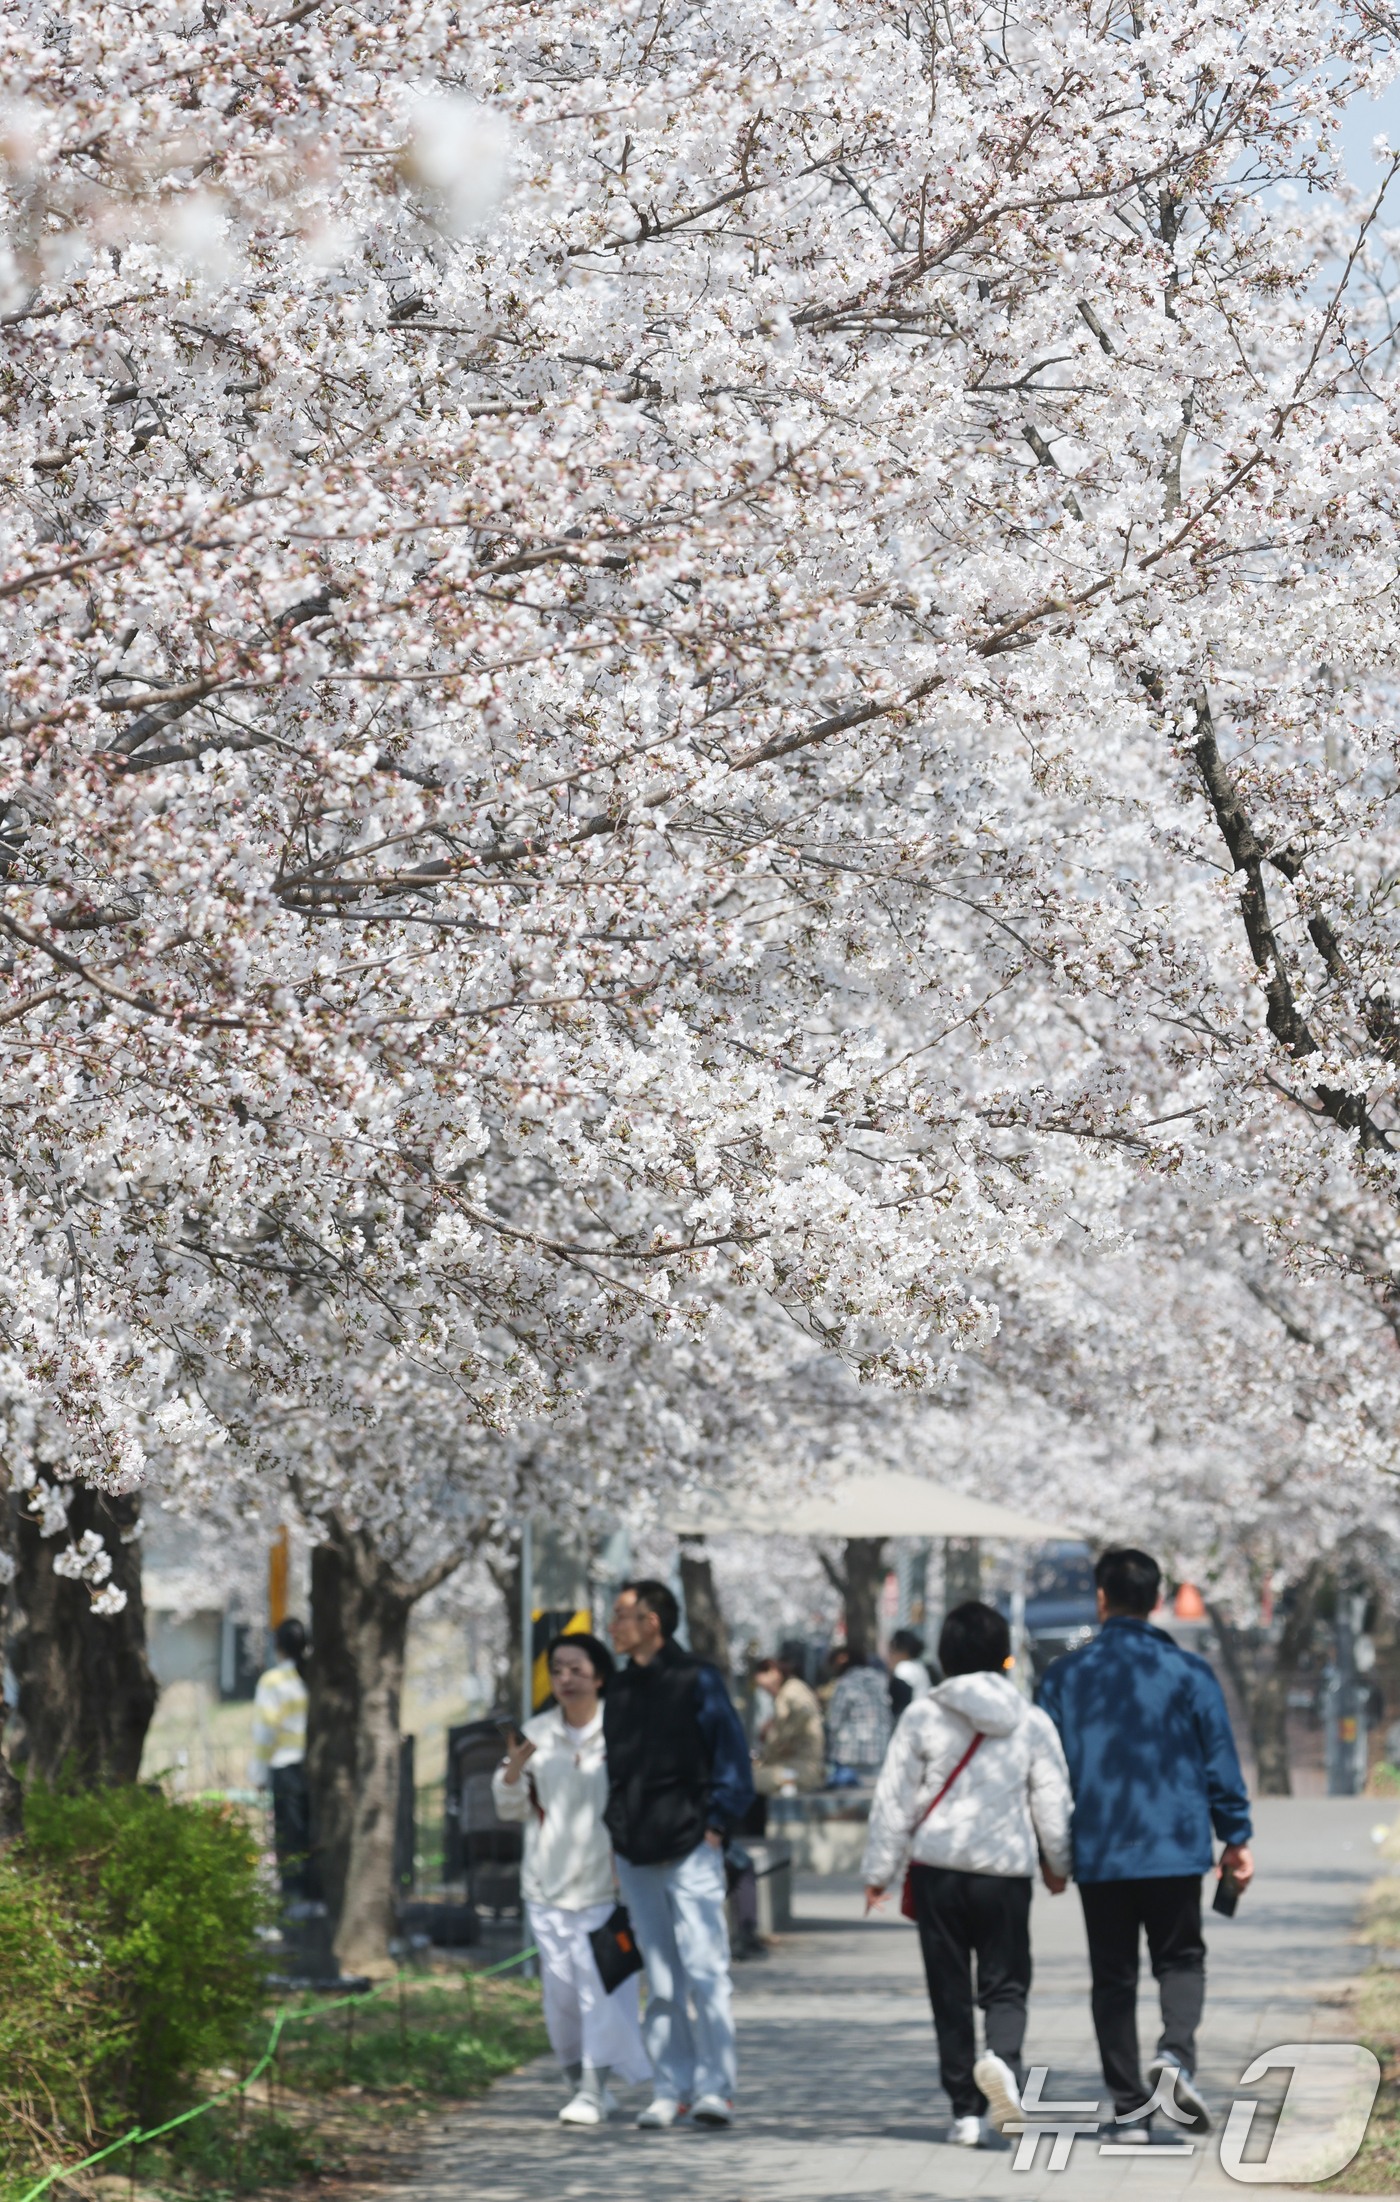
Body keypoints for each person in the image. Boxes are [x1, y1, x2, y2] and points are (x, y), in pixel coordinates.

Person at [1038, 1547, 1254, 2141]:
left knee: (1113, 1978)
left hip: (1101, 1850)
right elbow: (1219, 1762)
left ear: (1101, 1599)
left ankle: (1129, 2110)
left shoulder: (1063, 1677)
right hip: (1174, 1845)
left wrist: (1048, 1854)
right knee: (1180, 1960)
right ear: (1157, 1600)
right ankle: (1175, 2057)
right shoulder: (1190, 1673)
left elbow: (1045, 1776)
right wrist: (1234, 1836)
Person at [861, 1601, 1072, 2149]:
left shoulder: (923, 1715)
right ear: (1003, 1655)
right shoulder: (1030, 1719)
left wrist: (878, 1872)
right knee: (1005, 1984)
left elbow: (893, 1800)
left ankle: (964, 2112)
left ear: (946, 1654)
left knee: (948, 1989)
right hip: (1003, 1873)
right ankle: (1002, 2062)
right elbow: (1052, 1800)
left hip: (938, 1873)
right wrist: (1058, 1864)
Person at [605, 1579, 755, 2129]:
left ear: (652, 1622)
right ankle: (671, 2087)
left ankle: (718, 2087)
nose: (612, 1625)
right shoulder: (618, 1691)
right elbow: (616, 1773)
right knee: (661, 1977)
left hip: (692, 1845)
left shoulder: (697, 1679)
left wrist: (715, 1825)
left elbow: (732, 1759)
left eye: (622, 1615)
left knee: (707, 1969)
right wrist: (616, 1833)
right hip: (635, 1851)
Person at [492, 1630, 651, 2125]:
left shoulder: (624, 1731)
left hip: (608, 1888)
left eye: (577, 1668)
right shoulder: (536, 1734)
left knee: (601, 1991)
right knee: (559, 1999)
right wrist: (513, 1772)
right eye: (557, 1669)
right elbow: (509, 1806)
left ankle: (591, 2088)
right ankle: (578, 2083)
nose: (566, 1678)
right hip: (547, 1886)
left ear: (600, 1675)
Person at [249, 1617, 315, 1904]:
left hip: (285, 1768)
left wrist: (258, 1775)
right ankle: (317, 1901)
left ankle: (294, 1903)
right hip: (317, 1768)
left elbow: (265, 1732)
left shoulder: (274, 1681)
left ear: (278, 1645)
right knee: (314, 1835)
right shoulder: (315, 1678)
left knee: (290, 1839)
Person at [751, 1650, 825, 1793]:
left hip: (802, 1768)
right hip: (797, 1766)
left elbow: (782, 1738)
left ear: (774, 1672)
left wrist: (768, 1737)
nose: (766, 1691)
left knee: (746, 1780)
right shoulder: (792, 1690)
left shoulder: (790, 1693)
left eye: (764, 1686)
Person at [825, 1648, 893, 1782]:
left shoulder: (845, 1683)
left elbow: (834, 1721)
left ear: (841, 1659)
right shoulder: (880, 1681)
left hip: (850, 1755)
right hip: (879, 1752)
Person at [888, 1627, 935, 1720]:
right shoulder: (919, 1666)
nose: (890, 1657)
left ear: (903, 1651)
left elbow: (899, 1706)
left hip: (912, 1722)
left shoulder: (904, 1668)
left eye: (892, 1651)